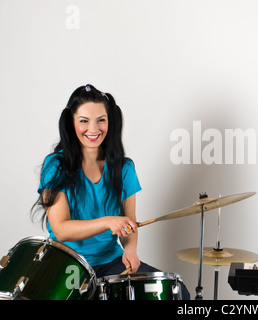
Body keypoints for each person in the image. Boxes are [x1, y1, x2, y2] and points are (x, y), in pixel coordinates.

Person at [31, 84, 190, 299]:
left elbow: (129, 222)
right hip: (68, 262)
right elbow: (61, 229)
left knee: (179, 293)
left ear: (110, 121)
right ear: (71, 122)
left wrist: (131, 250)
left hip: (111, 262)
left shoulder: (124, 169)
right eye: (84, 121)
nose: (93, 129)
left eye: (101, 120)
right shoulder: (55, 165)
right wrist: (108, 221)